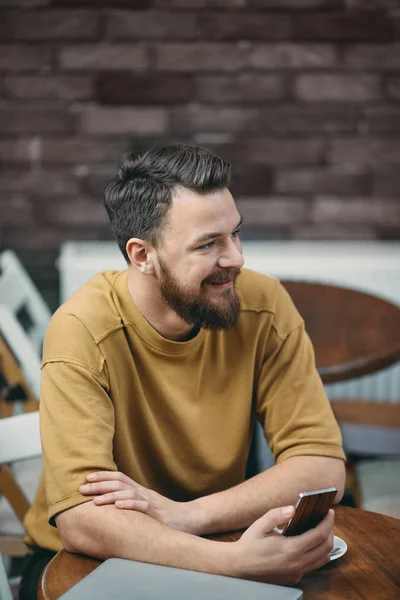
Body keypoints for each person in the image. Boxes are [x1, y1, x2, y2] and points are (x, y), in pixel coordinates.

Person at [20, 142, 345, 598]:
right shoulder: (81, 330)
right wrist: (233, 564)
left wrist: (186, 515)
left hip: (215, 532)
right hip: (85, 561)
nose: (236, 258)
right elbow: (82, 522)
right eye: (208, 244)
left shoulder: (265, 305)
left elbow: (322, 466)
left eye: (235, 234)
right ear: (142, 256)